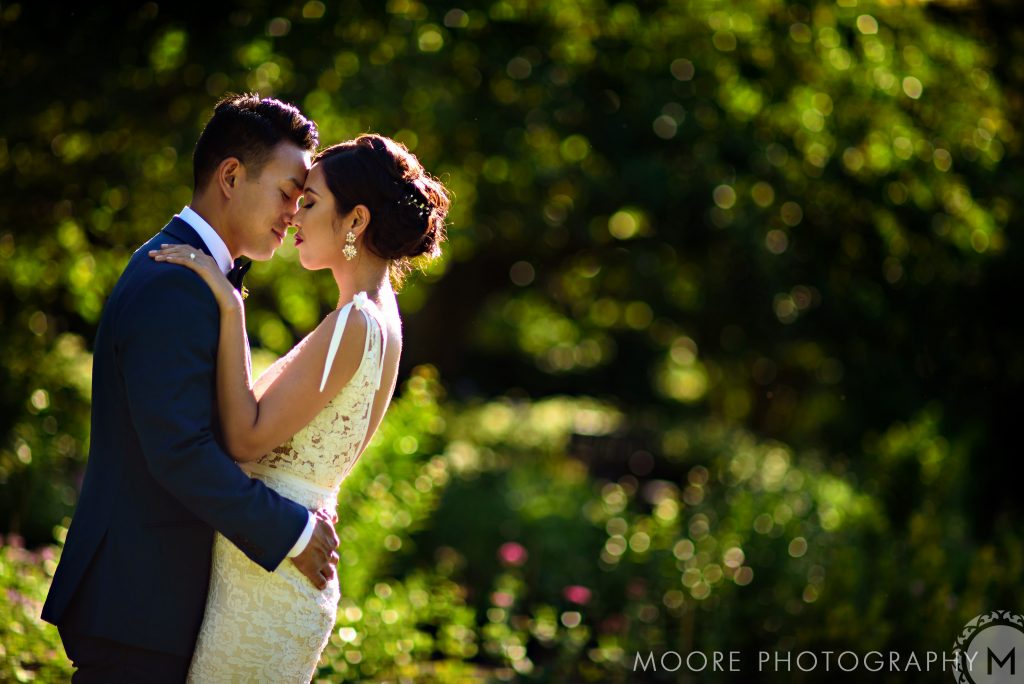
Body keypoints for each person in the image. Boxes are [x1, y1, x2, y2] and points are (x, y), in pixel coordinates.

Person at [41, 94, 341, 682]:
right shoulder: (174, 283)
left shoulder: (191, 274)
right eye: (287, 193)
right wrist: (293, 531)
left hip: (149, 598)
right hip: (138, 601)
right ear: (231, 176)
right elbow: (178, 451)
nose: (294, 214)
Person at [148, 132, 450, 680]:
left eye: (308, 203)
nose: (292, 217)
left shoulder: (355, 322)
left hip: (272, 577)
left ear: (355, 221)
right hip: (274, 566)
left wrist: (229, 305)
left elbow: (245, 438)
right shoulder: (382, 319)